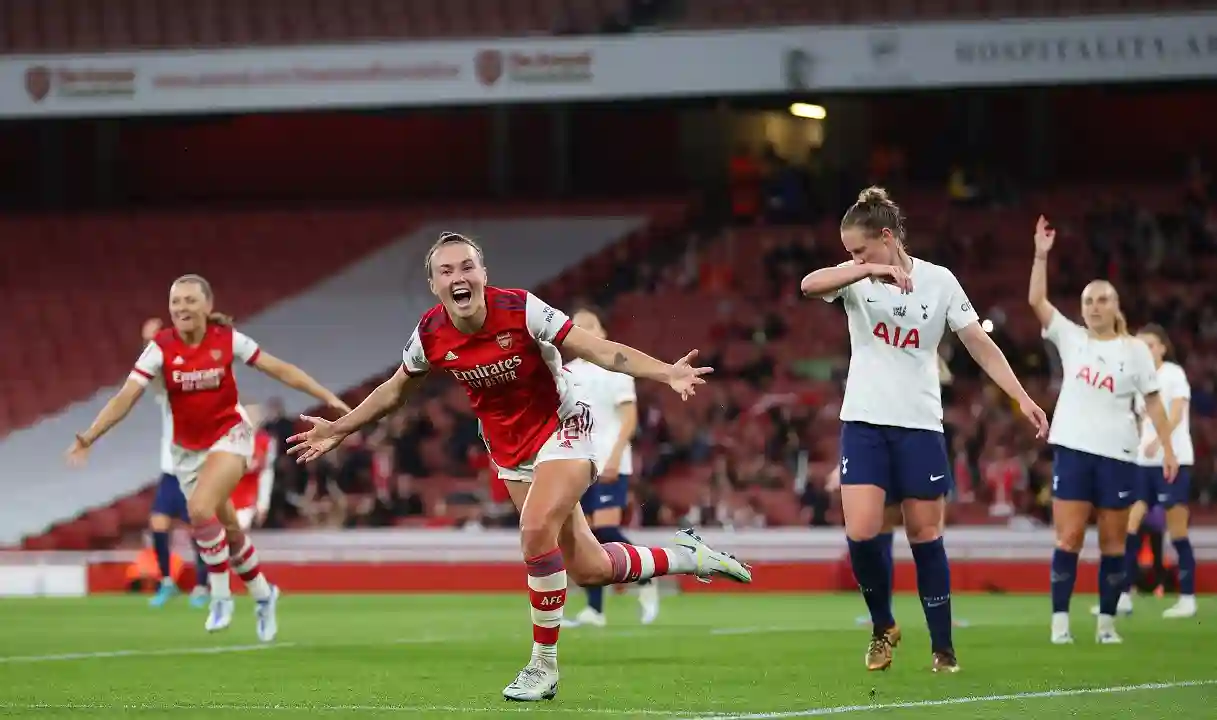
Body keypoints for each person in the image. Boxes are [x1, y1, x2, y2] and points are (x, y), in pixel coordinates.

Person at [288, 232, 752, 702]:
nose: (458, 277)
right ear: (434, 285)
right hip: (509, 451)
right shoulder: (430, 334)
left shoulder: (521, 309)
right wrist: (339, 428)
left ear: (483, 274)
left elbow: (595, 348)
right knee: (589, 568)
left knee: (534, 531)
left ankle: (543, 666)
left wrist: (665, 371)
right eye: (446, 271)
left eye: (467, 266)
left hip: (565, 426)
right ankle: (691, 557)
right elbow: (394, 391)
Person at [800, 187, 1048, 674]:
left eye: (860, 250)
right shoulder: (855, 278)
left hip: (918, 425)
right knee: (861, 530)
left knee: (924, 535)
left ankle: (943, 648)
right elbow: (809, 284)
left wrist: (1021, 396)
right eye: (849, 252)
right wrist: (864, 269)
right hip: (865, 422)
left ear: (888, 237)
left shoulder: (939, 282)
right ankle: (882, 627)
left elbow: (978, 343)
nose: (852, 258)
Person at [66, 274, 351, 641]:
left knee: (200, 509)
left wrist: (326, 395)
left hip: (230, 436)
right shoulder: (160, 349)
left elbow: (279, 368)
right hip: (187, 453)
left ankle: (219, 595)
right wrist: (89, 436)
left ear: (207, 306)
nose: (181, 307)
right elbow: (125, 397)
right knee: (230, 531)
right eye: (176, 301)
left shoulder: (228, 341)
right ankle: (264, 594)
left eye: (189, 300)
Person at [1028, 216, 1178, 645]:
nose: (1095, 306)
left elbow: (1152, 402)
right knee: (1069, 537)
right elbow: (1037, 299)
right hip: (1073, 450)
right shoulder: (1072, 338)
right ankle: (1060, 623)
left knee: (1114, 542)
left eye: (1103, 299)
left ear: (1116, 306)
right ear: (1081, 308)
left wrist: (1166, 448)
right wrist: (1041, 254)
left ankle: (1106, 623)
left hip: (1118, 454)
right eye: (1089, 300)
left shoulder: (1136, 352)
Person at [560, 307, 660, 628]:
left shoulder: (616, 369)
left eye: (590, 325)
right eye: (578, 327)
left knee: (604, 528)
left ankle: (646, 575)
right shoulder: (565, 374)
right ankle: (595, 610)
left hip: (609, 459)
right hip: (578, 462)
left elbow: (629, 418)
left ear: (602, 332)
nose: (585, 331)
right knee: (583, 536)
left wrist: (616, 456)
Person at [1108, 324, 1195, 618]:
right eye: (1141, 344)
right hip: (1143, 463)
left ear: (1162, 348)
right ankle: (1123, 595)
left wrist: (1160, 440)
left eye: (1151, 344)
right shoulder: (1137, 380)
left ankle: (1187, 597)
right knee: (1130, 526)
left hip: (1174, 458)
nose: (1146, 349)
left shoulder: (1173, 374)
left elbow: (1177, 412)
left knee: (1177, 530)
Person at [141, 317, 210, 609]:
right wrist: (149, 343)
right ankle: (168, 582)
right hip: (170, 472)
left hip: (195, 472)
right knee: (158, 524)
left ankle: (203, 585)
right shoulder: (169, 393)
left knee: (199, 530)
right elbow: (152, 372)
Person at [230, 403, 277, 532]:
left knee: (238, 530)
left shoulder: (266, 442)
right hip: (228, 495)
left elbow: (266, 474)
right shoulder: (231, 438)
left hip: (248, 497)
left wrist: (263, 504)